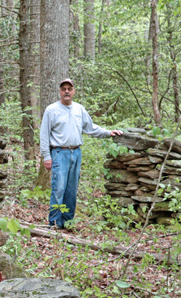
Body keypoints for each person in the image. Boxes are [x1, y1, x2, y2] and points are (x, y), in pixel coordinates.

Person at [40, 78, 123, 229]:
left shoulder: (79, 109)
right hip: (59, 153)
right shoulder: (51, 110)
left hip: (76, 152)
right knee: (59, 189)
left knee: (71, 190)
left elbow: (90, 128)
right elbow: (44, 134)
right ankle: (54, 223)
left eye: (69, 89)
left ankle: (68, 222)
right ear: (59, 91)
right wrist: (46, 156)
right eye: (64, 89)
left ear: (74, 91)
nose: (66, 91)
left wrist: (108, 132)